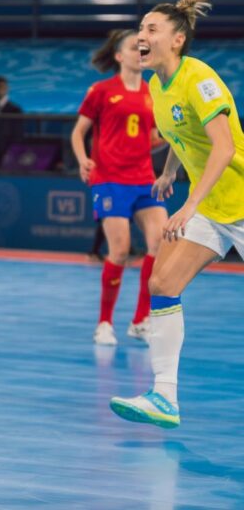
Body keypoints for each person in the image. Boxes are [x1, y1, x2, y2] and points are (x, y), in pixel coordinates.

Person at [110, 0, 244, 429]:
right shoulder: (156, 85)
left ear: (178, 40)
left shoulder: (199, 78)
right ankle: (164, 396)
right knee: (162, 282)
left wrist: (187, 204)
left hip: (235, 201)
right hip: (212, 206)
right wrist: (169, 172)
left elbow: (222, 148)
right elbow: (181, 136)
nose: (142, 36)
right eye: (141, 29)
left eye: (152, 29)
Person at [70, 29, 167, 346]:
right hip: (109, 179)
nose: (140, 51)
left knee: (160, 243)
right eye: (133, 47)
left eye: (143, 47)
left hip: (143, 178)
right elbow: (78, 132)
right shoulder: (101, 90)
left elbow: (151, 139)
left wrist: (174, 138)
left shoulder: (153, 92)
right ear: (119, 56)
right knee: (120, 250)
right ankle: (104, 323)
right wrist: (83, 158)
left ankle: (141, 320)